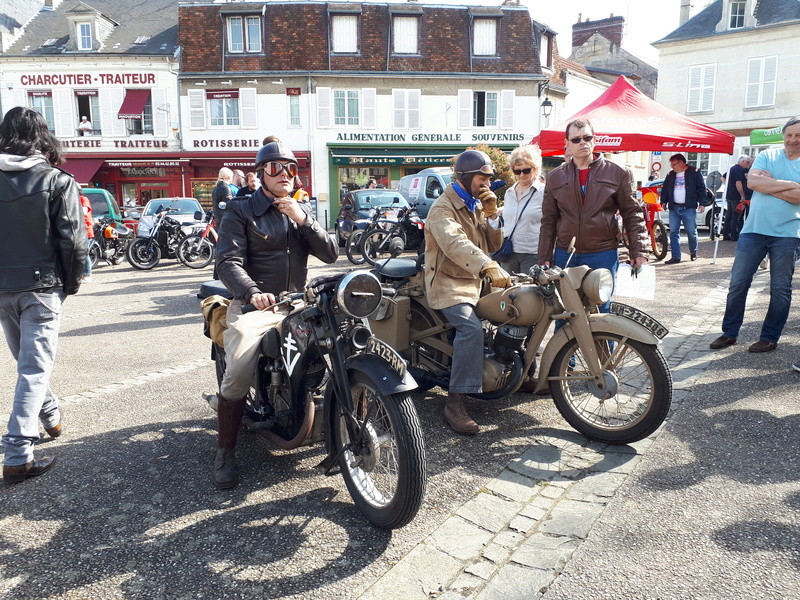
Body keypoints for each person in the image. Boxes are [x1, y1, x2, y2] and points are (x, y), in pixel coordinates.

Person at [212, 141, 338, 489]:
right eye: (275, 167)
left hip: (298, 301)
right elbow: (227, 261)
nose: (284, 174)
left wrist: (304, 219)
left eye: (291, 168)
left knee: (347, 341)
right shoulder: (240, 210)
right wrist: (252, 292)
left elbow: (330, 254)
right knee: (237, 370)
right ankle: (226, 450)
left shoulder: (300, 210)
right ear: (259, 173)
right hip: (256, 305)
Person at [0, 107, 87, 483]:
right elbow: (73, 243)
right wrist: (70, 284)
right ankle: (17, 453)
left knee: (27, 362)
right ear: (43, 138)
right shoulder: (57, 180)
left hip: (4, 286)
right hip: (42, 286)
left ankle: (50, 416)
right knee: (33, 367)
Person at [424, 149, 510, 435]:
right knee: (471, 329)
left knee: (518, 307)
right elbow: (454, 243)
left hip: (475, 279)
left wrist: (493, 215)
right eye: (481, 177)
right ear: (465, 176)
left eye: (488, 177)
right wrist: (487, 265)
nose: (486, 182)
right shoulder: (442, 208)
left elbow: (493, 244)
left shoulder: (474, 204)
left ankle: (519, 373)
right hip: (449, 283)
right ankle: (455, 404)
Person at [710, 117, 800, 354]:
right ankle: (729, 333)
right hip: (753, 231)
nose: (793, 140)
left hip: (788, 234)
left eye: (798, 136)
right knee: (737, 284)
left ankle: (769, 338)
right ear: (784, 136)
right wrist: (790, 185)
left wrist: (770, 183)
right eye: (789, 135)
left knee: (780, 288)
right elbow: (752, 182)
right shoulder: (768, 155)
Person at [538, 118, 648, 309]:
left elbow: (632, 213)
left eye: (587, 137)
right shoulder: (555, 176)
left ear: (594, 140)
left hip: (602, 252)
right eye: (576, 139)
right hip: (565, 254)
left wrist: (638, 250)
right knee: (565, 312)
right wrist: (544, 256)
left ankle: (603, 341)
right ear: (567, 144)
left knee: (601, 310)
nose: (583, 142)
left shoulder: (618, 173)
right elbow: (548, 219)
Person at [499, 144, 544, 275]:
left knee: (530, 293)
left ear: (535, 169)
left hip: (532, 254)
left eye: (526, 170)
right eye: (517, 171)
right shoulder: (509, 193)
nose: (522, 175)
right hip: (508, 252)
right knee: (508, 293)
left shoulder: (543, 192)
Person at [660, 153, 707, 264]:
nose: (672, 167)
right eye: (671, 164)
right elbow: (665, 189)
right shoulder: (670, 174)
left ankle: (693, 252)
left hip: (688, 207)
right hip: (674, 207)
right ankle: (676, 257)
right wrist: (663, 201)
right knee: (673, 232)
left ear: (682, 162)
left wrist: (702, 203)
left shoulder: (694, 172)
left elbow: (702, 189)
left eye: (674, 164)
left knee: (691, 231)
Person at [722, 156, 753, 241]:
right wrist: (742, 195)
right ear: (742, 162)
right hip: (736, 197)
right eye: (747, 162)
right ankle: (734, 235)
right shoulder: (739, 170)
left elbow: (722, 177)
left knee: (729, 215)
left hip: (729, 195)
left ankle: (726, 234)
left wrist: (727, 186)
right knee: (736, 216)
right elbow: (738, 183)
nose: (748, 164)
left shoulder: (732, 168)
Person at [80, 194, 94, 282]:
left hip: (86, 230)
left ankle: (87, 274)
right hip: (79, 230)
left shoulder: (83, 199)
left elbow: (84, 211)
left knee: (84, 253)